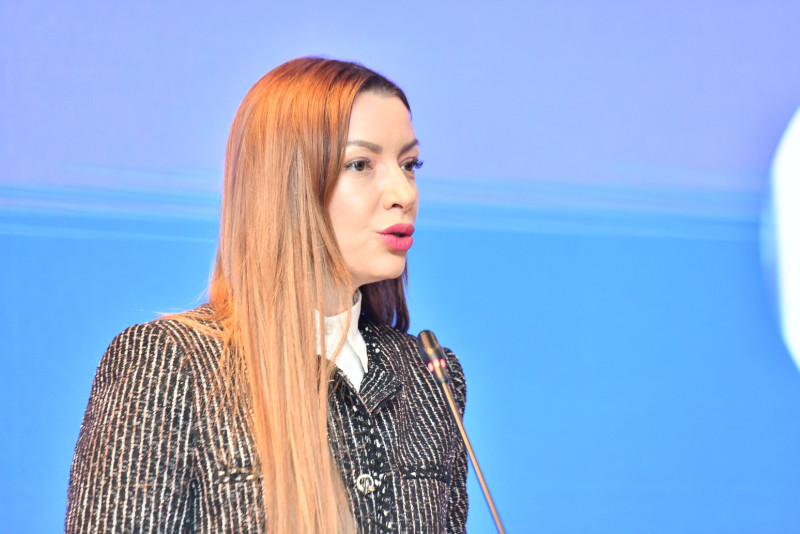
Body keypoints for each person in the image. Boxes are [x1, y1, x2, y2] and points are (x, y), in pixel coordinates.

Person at [65, 57, 468, 533]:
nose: (404, 193)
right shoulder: (171, 364)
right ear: (286, 181)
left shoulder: (431, 378)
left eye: (409, 164)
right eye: (361, 164)